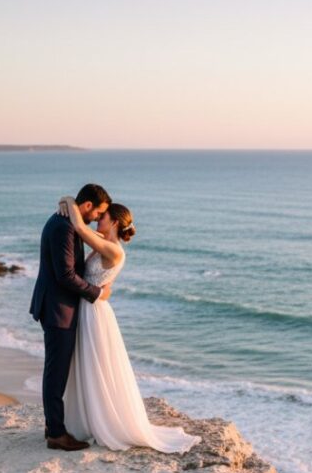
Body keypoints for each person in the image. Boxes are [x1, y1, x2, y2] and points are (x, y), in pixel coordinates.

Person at [56, 195, 201, 453]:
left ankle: (104, 422)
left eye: (103, 216)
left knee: (97, 365)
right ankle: (90, 419)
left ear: (114, 222)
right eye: (99, 214)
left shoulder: (113, 250)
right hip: (90, 307)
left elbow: (79, 227)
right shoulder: (105, 242)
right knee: (90, 366)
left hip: (94, 311)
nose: (98, 218)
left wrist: (69, 200)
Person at [30, 184, 112, 451]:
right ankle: (55, 433)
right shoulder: (64, 227)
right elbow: (65, 275)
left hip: (57, 305)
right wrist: (96, 293)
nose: (98, 218)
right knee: (56, 372)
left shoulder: (67, 220)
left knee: (57, 369)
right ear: (87, 206)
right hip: (58, 309)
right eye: (98, 212)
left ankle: (52, 424)